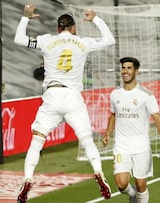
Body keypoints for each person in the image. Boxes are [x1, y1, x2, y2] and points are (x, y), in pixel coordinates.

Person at [14, 3, 115, 203]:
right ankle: (98, 172)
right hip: (73, 97)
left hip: (52, 95)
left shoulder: (46, 41)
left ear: (58, 28)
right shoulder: (83, 42)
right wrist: (95, 18)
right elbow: (110, 39)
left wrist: (26, 17)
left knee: (37, 140)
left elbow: (18, 39)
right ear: (73, 27)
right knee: (86, 140)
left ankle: (27, 179)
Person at [102, 57, 160, 203]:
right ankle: (133, 195)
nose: (125, 71)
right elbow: (113, 115)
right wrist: (108, 133)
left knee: (141, 184)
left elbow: (158, 118)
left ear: (136, 71)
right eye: (123, 68)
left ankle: (138, 195)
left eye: (129, 68)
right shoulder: (115, 94)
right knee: (121, 184)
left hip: (141, 146)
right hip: (121, 145)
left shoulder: (146, 95)